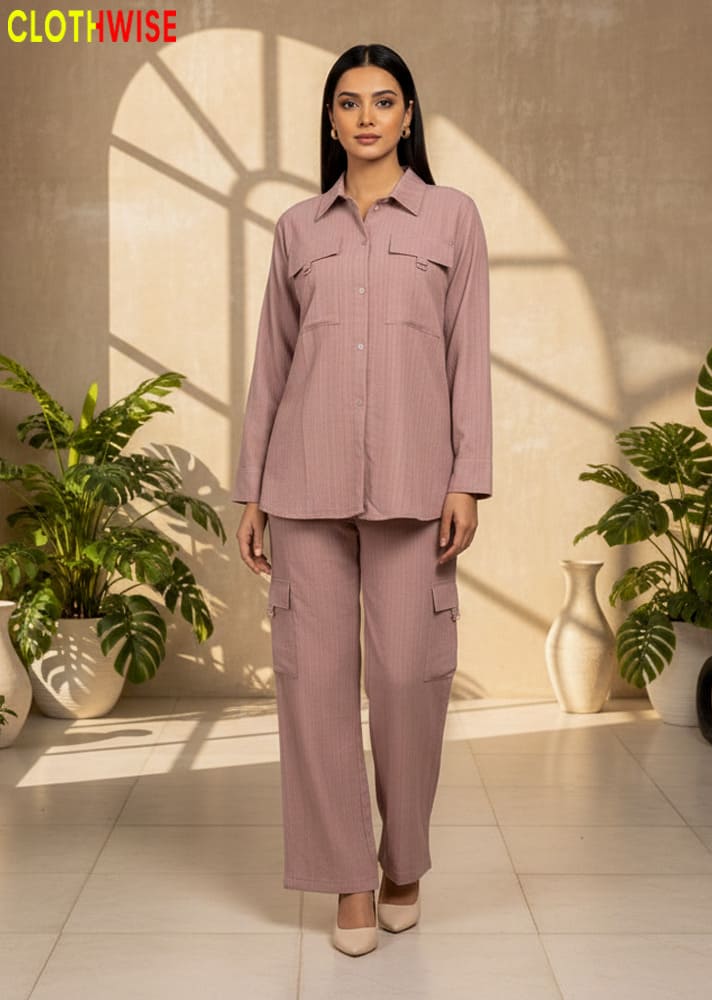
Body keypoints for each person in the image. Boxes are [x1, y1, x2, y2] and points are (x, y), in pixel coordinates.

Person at [234, 42, 492, 957]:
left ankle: (403, 861)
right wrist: (252, 490)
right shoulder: (298, 227)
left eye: (386, 101)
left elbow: (470, 357)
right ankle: (348, 877)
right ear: (333, 121)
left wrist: (468, 475)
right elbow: (272, 363)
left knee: (406, 681)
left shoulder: (453, 219)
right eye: (351, 102)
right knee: (314, 689)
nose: (369, 116)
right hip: (303, 483)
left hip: (418, 486)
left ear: (410, 116)